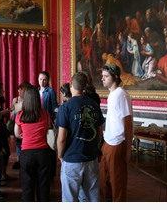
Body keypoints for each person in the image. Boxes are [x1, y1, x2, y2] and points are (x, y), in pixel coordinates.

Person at [55, 72, 105, 202]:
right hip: (91, 158)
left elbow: (61, 138)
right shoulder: (94, 105)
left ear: (71, 85)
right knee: (91, 198)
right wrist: (95, 148)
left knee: (69, 199)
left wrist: (60, 155)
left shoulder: (65, 107)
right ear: (85, 86)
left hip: (71, 159)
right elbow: (100, 133)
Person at [99, 64, 133, 202]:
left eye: (106, 76)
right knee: (105, 180)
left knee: (117, 183)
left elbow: (128, 123)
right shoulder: (112, 94)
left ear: (115, 77)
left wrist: (128, 149)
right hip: (108, 142)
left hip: (118, 143)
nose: (103, 79)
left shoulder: (121, 95)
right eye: (102, 76)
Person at [14, 85, 52, 202]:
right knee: (43, 187)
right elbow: (47, 131)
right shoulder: (45, 114)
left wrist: (24, 135)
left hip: (26, 153)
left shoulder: (20, 115)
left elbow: (16, 134)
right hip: (43, 153)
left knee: (27, 188)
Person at [38, 71, 59, 178]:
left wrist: (56, 116)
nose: (42, 81)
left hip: (48, 121)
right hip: (38, 122)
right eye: (41, 79)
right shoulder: (35, 91)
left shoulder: (50, 91)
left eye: (44, 79)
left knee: (51, 146)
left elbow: (54, 106)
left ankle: (51, 172)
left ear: (48, 80)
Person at [10, 81, 31, 170]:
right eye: (19, 89)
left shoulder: (29, 100)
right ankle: (19, 160)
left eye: (21, 89)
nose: (19, 91)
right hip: (17, 124)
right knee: (18, 143)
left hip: (26, 124)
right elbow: (12, 115)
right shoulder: (15, 100)